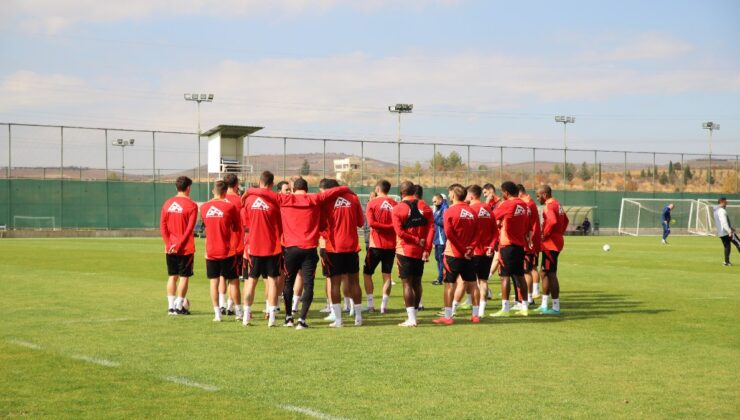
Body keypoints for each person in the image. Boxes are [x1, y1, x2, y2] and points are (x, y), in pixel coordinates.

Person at [244, 178, 350, 330]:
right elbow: (334, 191)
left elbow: (264, 192)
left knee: (288, 282)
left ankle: (288, 317)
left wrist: (249, 191)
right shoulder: (315, 198)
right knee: (308, 284)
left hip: (290, 249)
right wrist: (346, 189)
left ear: (294, 189)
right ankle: (302, 319)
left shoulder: (285, 198)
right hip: (309, 249)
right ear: (306, 188)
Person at [320, 178, 365, 327]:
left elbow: (320, 225)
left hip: (334, 248)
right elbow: (360, 222)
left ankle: (338, 320)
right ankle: (358, 317)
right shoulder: (353, 198)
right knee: (354, 282)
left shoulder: (327, 201)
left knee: (334, 283)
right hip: (352, 247)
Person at [433, 184, 479, 325]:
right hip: (469, 255)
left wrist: (462, 249)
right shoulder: (471, 212)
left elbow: (449, 234)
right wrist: (470, 248)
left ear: (452, 195)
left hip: (453, 254)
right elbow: (478, 233)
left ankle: (448, 317)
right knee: (472, 284)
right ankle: (475, 316)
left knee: (449, 285)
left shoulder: (450, 211)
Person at [242, 171, 283, 327]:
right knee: (272, 281)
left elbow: (245, 224)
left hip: (254, 248)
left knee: (251, 281)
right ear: (272, 184)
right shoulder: (275, 201)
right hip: (272, 248)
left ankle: (246, 316)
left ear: (260, 182)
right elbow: (280, 227)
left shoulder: (249, 200)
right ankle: (271, 317)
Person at [392, 181, 434, 327]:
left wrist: (415, 239)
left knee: (407, 283)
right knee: (417, 282)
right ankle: (414, 316)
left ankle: (411, 319)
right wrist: (427, 249)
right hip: (421, 252)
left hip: (405, 250)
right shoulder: (425, 206)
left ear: (401, 192)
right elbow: (431, 229)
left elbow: (399, 232)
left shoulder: (397, 209)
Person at [200, 180, 241, 322]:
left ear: (213, 191)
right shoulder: (230, 207)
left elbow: (205, 225)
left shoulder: (204, 207)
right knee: (234, 281)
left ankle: (217, 314)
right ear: (225, 192)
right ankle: (239, 312)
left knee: (214, 282)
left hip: (210, 251)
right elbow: (236, 227)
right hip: (227, 251)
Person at [490, 181, 530, 317]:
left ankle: (505, 309)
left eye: (502, 192)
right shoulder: (523, 204)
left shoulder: (508, 204)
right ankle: (524, 307)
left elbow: (492, 216)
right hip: (520, 245)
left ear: (506, 192)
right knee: (520, 276)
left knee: (504, 277)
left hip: (507, 245)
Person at [160, 176, 198, 315]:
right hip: (185, 248)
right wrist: (180, 244)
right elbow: (189, 229)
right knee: (184, 277)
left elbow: (163, 226)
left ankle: (171, 307)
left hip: (170, 248)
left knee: (172, 276)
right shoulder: (192, 205)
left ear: (177, 187)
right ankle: (179, 306)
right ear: (188, 188)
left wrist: (169, 243)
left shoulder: (167, 203)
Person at [363, 180, 398, 314]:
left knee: (367, 273)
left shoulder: (372, 203)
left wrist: (385, 227)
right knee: (387, 276)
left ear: (377, 189)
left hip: (376, 245)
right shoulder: (395, 204)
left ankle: (370, 305)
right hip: (390, 246)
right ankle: (384, 306)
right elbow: (397, 224)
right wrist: (391, 227)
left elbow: (371, 223)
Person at [535, 185, 569, 315]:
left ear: (544, 195)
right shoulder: (557, 204)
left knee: (550, 274)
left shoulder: (549, 205)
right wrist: (559, 233)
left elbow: (553, 221)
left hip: (551, 243)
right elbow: (566, 220)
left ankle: (555, 307)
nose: (537, 198)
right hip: (556, 241)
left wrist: (545, 234)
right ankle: (544, 304)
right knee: (544, 272)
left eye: (538, 195)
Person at [466, 184, 498, 317]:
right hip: (487, 251)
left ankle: (471, 307)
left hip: (474, 251)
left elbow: (469, 232)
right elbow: (495, 231)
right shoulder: (488, 209)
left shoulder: (470, 210)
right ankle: (481, 311)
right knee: (483, 281)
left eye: (467, 194)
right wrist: (491, 246)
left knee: (472, 282)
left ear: (472, 196)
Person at [223, 173, 244, 319]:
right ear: (236, 184)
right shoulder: (239, 200)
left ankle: (222, 305)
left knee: (220, 278)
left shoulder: (220, 199)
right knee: (234, 278)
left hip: (219, 244)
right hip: (236, 244)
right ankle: (231, 306)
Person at [518, 184, 542, 307]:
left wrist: (529, 238)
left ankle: (528, 298)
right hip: (532, 240)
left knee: (527, 270)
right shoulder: (530, 203)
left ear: (519, 193)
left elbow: (528, 225)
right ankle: (529, 296)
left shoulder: (527, 204)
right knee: (530, 268)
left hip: (529, 242)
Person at [714, 197, 739, 266]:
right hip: (726, 232)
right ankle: (726, 262)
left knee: (727, 246)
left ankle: (726, 262)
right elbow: (723, 222)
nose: (727, 203)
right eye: (726, 202)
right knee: (738, 243)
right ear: (722, 202)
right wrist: (729, 231)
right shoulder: (722, 211)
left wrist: (730, 227)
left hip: (721, 233)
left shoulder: (716, 210)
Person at [431, 193, 448, 286]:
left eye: (435, 201)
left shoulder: (445, 209)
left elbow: (444, 222)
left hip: (442, 238)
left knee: (441, 259)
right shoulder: (438, 209)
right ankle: (441, 276)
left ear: (440, 200)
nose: (433, 203)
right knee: (438, 258)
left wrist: (434, 218)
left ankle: (440, 278)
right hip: (437, 238)